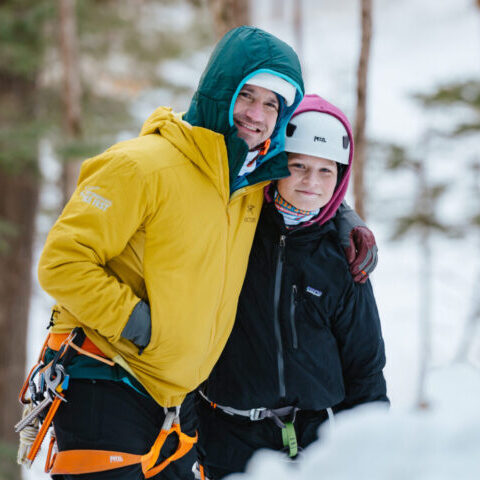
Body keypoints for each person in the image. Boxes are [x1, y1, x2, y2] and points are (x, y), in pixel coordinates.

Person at [19, 26, 375, 479]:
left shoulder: (245, 183)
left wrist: (347, 220)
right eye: (247, 94)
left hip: (177, 405)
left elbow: (305, 189)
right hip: (107, 380)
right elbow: (62, 263)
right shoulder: (140, 166)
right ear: (219, 88)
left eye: (273, 104)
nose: (257, 114)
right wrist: (141, 325)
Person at [196, 94, 389, 479]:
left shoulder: (343, 255)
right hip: (228, 440)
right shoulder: (235, 231)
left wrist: (373, 448)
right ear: (276, 163)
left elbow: (365, 366)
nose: (310, 183)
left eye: (325, 171)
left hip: (319, 441)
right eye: (298, 165)